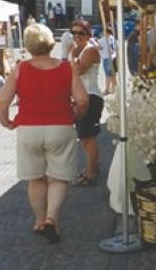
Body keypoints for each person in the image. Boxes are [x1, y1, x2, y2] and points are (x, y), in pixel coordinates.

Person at [0, 23, 88, 243]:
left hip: (29, 129)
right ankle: (52, 218)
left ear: (27, 46)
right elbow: (83, 100)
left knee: (36, 179)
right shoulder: (67, 67)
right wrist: (75, 115)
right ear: (51, 43)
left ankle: (39, 220)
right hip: (60, 127)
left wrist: (5, 120)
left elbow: (2, 100)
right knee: (58, 178)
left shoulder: (20, 68)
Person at [68, 19, 103, 187]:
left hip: (91, 96)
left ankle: (91, 173)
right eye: (73, 33)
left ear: (88, 35)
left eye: (80, 33)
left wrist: (74, 56)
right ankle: (91, 168)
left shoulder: (89, 50)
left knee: (89, 137)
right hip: (80, 96)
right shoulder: (76, 50)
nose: (76, 36)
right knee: (83, 137)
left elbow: (78, 70)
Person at [99, 24, 116, 94]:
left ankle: (107, 89)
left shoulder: (103, 40)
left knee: (108, 75)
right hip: (113, 58)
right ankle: (113, 88)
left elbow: (99, 48)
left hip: (106, 58)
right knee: (112, 74)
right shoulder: (112, 38)